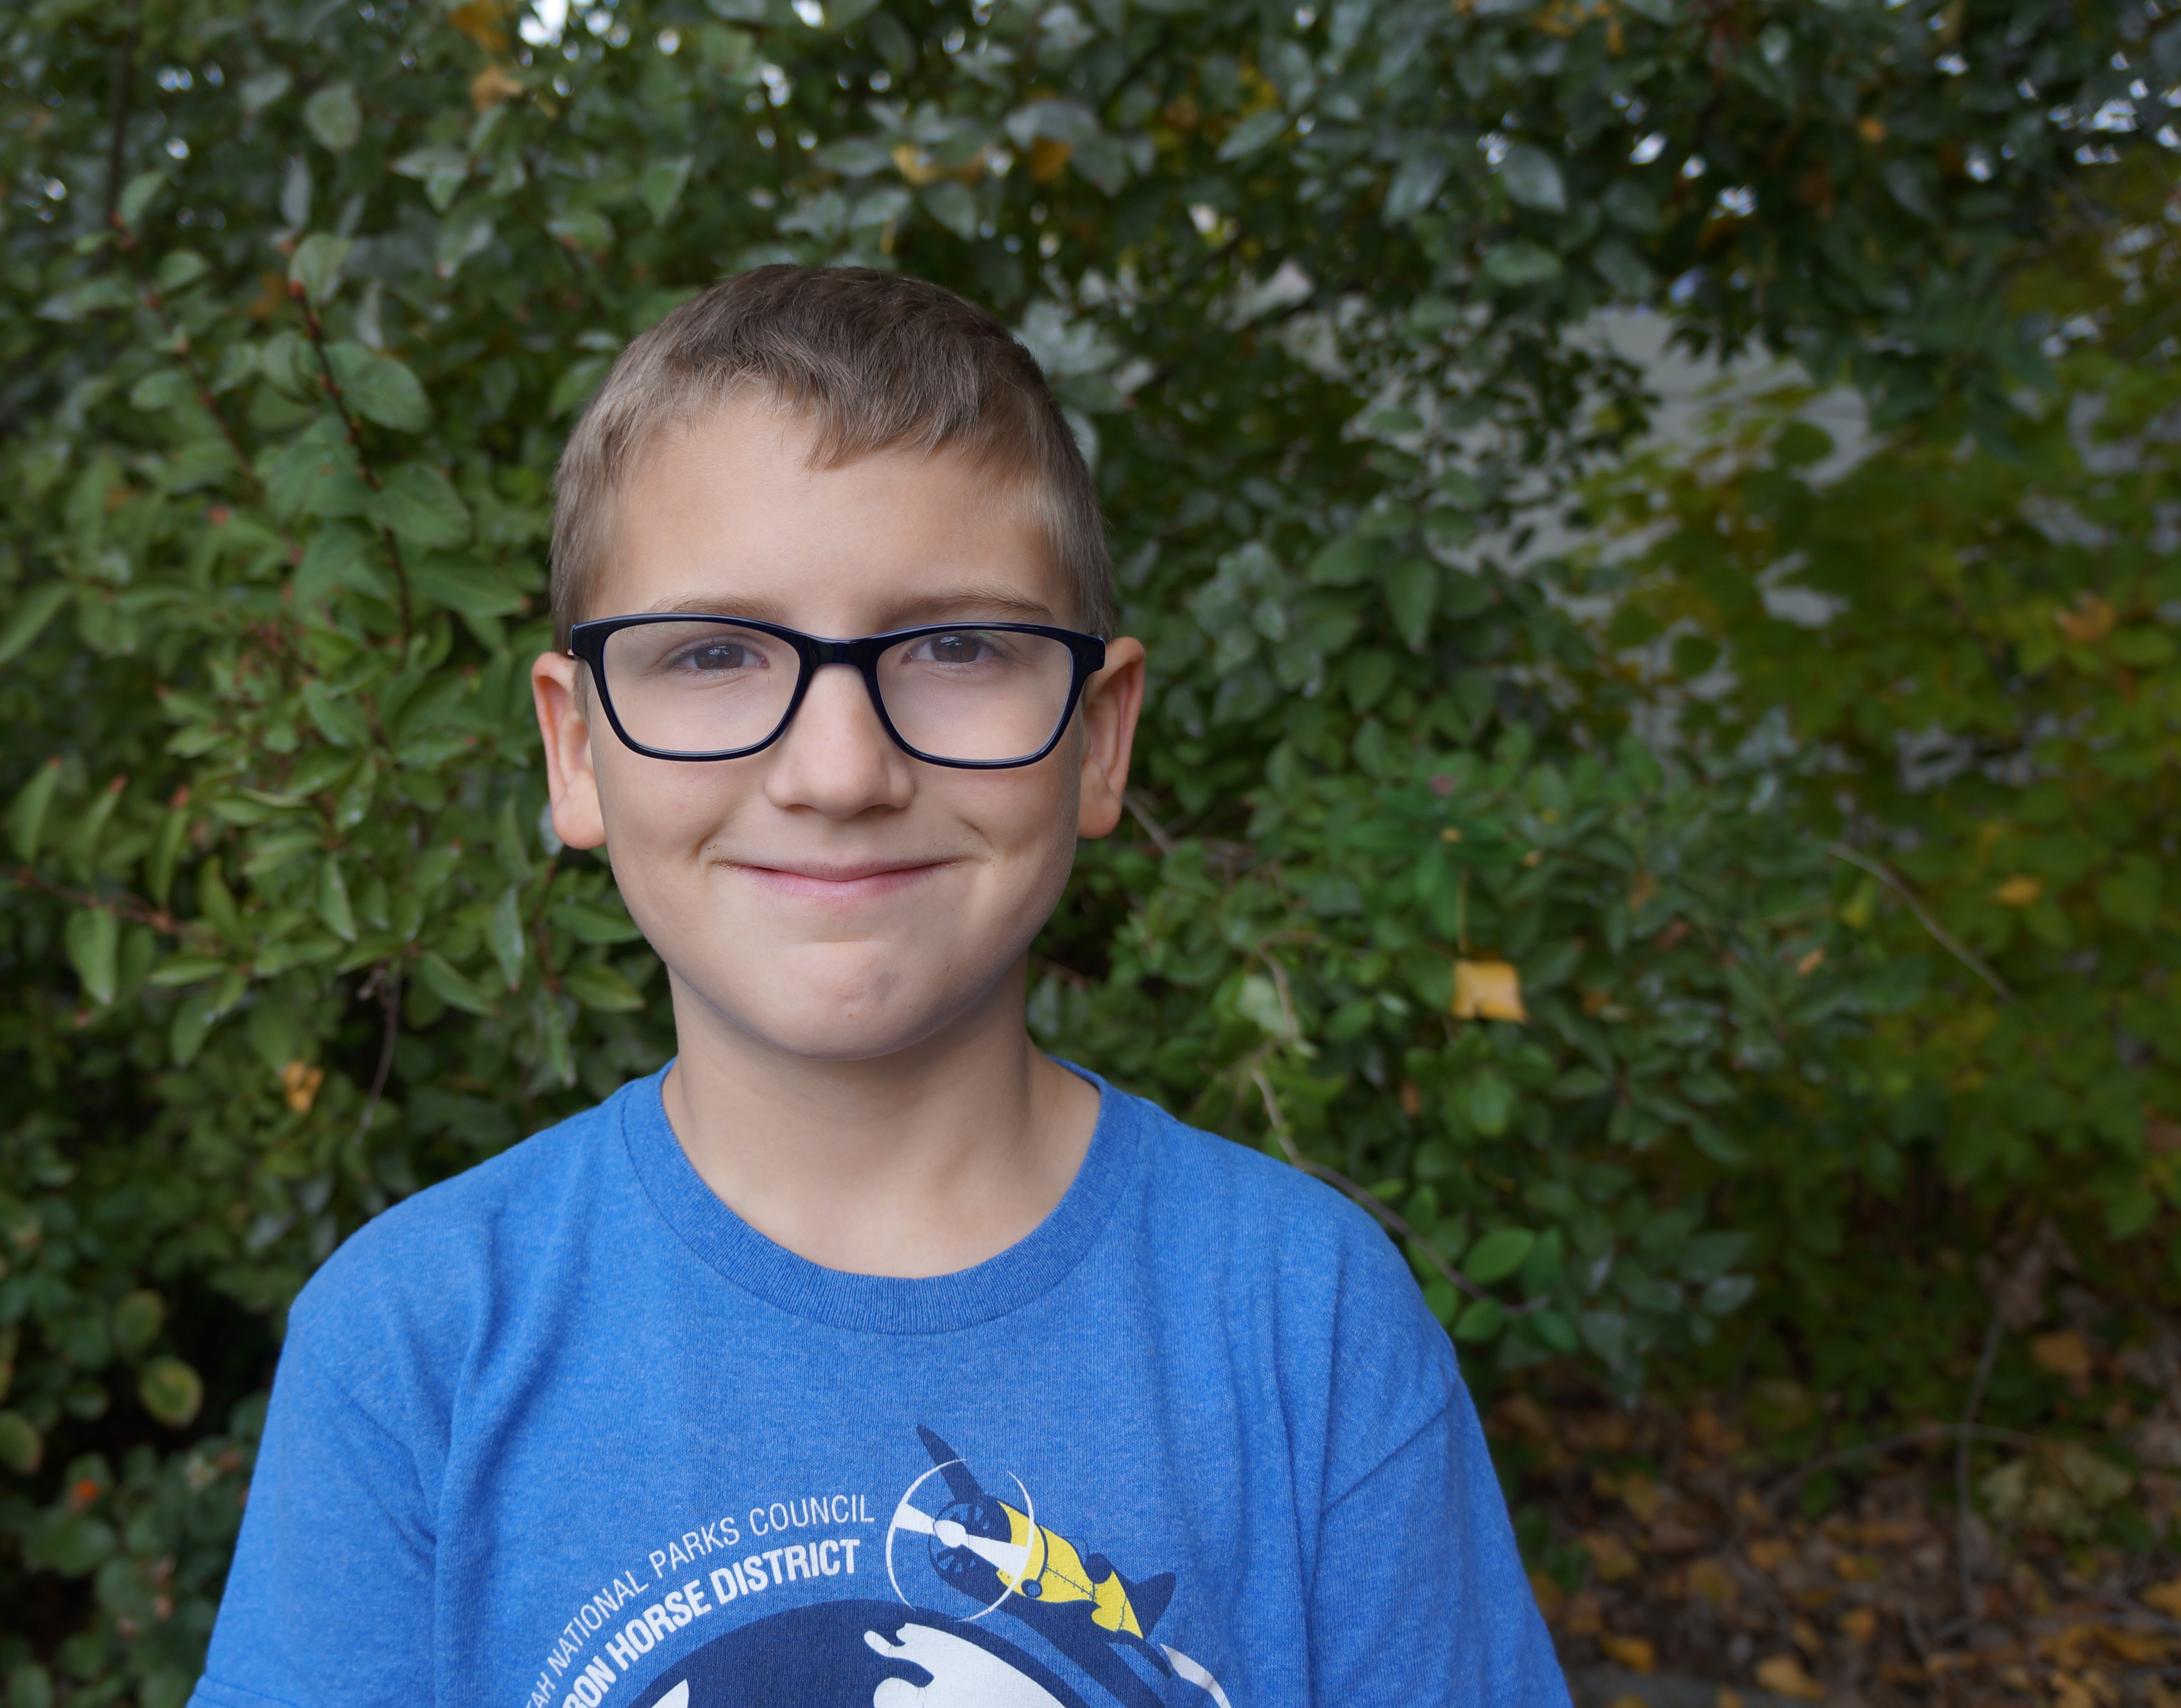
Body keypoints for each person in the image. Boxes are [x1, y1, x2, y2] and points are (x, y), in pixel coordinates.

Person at [188, 267, 1567, 1708]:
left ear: (1100, 737)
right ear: (577, 751)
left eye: (958, 646)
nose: (840, 772)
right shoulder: (415, 1344)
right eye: (714, 653)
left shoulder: (1304, 1322)